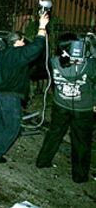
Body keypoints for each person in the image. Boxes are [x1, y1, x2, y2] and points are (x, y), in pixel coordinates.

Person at [0, 13, 49, 163]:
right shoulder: (18, 54)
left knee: (1, 124)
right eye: (22, 40)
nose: (24, 42)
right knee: (13, 127)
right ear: (18, 42)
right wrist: (41, 27)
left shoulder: (2, 53)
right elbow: (37, 47)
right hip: (9, 96)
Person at [36, 33, 96, 183]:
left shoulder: (54, 61)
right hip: (83, 109)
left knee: (54, 134)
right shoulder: (88, 64)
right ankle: (79, 176)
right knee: (81, 142)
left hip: (61, 104)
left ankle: (43, 161)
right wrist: (92, 45)